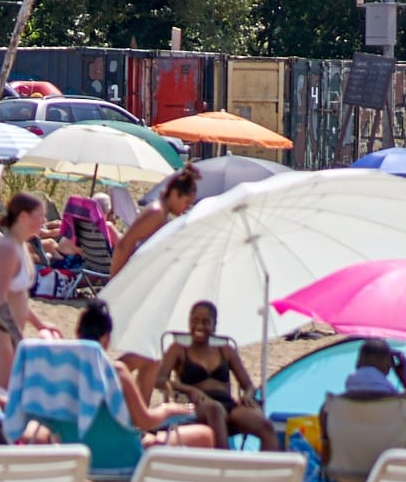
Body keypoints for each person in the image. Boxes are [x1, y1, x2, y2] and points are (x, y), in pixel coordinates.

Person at [76, 300, 216, 449]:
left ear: (78, 334)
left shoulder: (60, 368)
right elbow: (146, 421)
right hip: (121, 456)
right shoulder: (117, 371)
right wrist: (169, 409)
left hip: (78, 451)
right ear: (107, 339)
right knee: (205, 435)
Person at [155, 299, 279, 449]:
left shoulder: (225, 350)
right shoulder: (178, 349)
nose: (199, 326)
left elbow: (248, 386)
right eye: (194, 321)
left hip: (228, 405)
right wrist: (189, 389)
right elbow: (159, 380)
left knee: (264, 425)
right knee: (214, 410)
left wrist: (247, 396)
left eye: (206, 322)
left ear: (214, 326)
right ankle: (225, 465)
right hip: (195, 405)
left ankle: (267, 470)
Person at [0, 192, 64, 388]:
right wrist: (17, 336)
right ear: (23, 217)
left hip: (5, 334)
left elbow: (18, 297)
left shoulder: (20, 246)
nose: (44, 221)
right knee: (5, 400)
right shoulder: (7, 249)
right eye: (39, 215)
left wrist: (40, 325)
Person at [337, 337, 406, 438]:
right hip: (392, 455)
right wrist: (404, 379)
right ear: (388, 367)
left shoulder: (333, 407)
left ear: (357, 364)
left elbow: (328, 450)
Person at [111, 167, 198, 276]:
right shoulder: (156, 213)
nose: (187, 207)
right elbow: (124, 244)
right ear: (175, 194)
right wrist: (114, 281)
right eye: (186, 202)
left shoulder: (162, 213)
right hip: (132, 276)